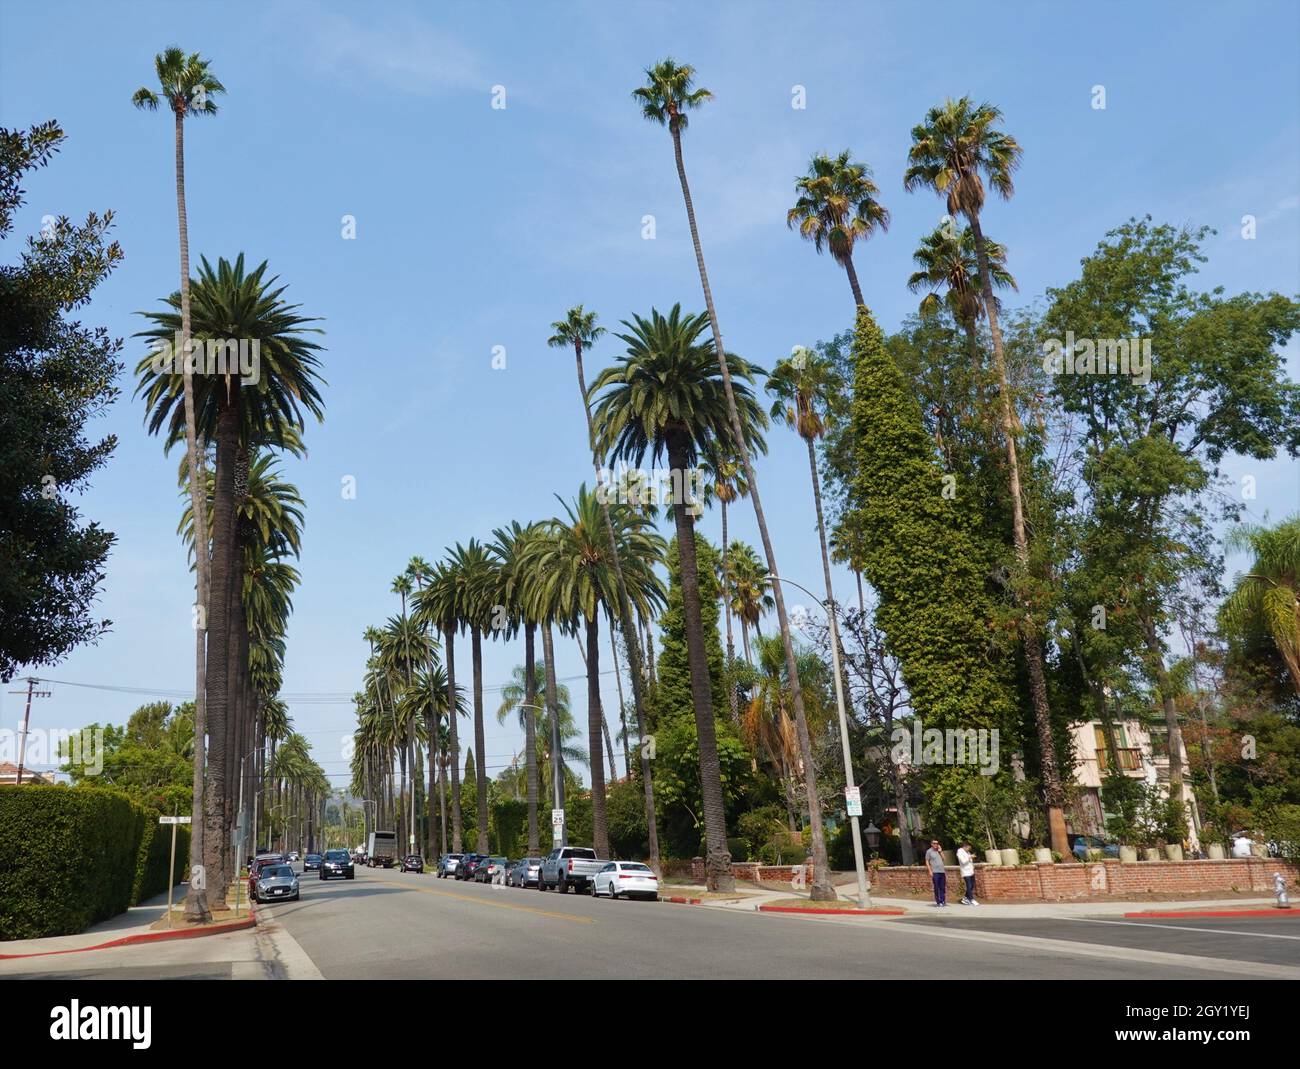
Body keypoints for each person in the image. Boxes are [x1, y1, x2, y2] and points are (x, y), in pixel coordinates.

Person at [924, 839, 947, 908]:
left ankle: (943, 901)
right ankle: (938, 902)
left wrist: (940, 851)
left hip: (942, 871)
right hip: (935, 872)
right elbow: (927, 861)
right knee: (936, 887)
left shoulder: (939, 851)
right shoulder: (929, 851)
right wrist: (930, 871)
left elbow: (944, 858)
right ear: (931, 844)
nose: (936, 844)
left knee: (942, 887)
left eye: (937, 843)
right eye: (934, 843)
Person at [956, 841, 979, 905]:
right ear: (965, 846)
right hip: (965, 872)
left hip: (971, 871)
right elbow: (963, 861)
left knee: (972, 885)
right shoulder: (960, 851)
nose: (969, 849)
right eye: (969, 848)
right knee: (969, 886)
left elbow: (969, 862)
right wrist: (970, 857)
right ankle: (971, 899)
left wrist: (970, 857)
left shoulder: (967, 852)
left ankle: (965, 898)